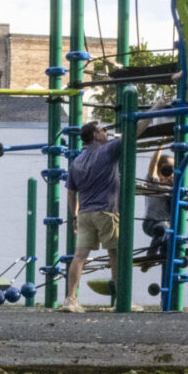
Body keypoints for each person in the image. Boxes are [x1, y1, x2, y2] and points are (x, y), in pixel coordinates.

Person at [62, 121, 123, 312]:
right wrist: (154, 109)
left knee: (79, 256)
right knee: (115, 255)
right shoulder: (108, 151)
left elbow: (71, 193)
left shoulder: (77, 161)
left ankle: (71, 299)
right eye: (104, 130)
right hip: (107, 211)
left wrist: (74, 215)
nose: (107, 132)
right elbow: (134, 134)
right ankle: (121, 300)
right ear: (96, 135)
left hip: (85, 214)